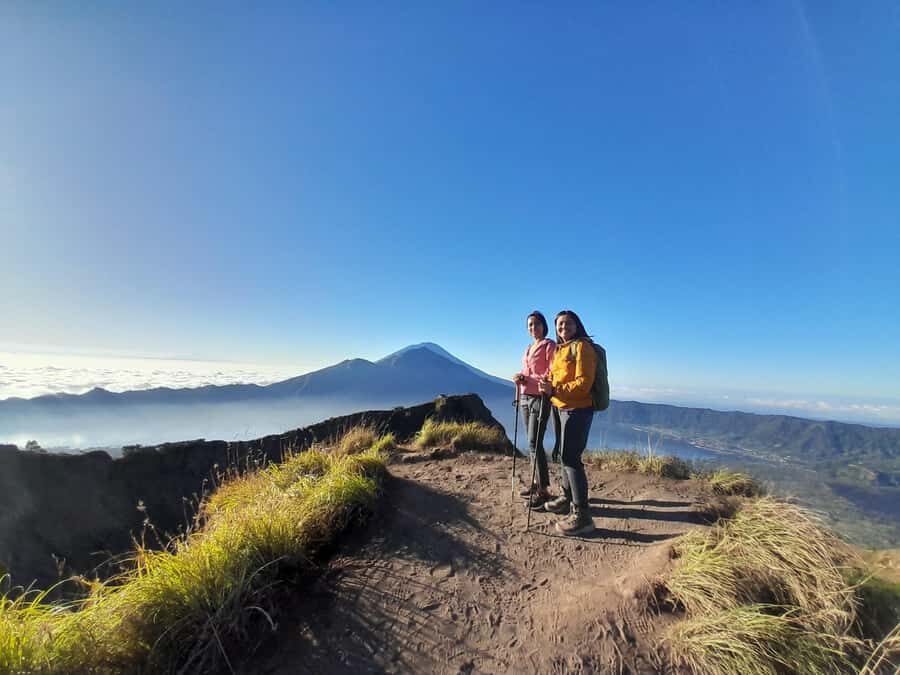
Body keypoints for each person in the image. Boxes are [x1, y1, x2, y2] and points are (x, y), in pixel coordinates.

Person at [538, 310, 597, 536]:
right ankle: (566, 497)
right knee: (563, 455)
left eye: (568, 323)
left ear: (577, 325)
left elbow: (583, 383)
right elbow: (557, 376)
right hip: (561, 407)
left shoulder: (583, 347)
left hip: (578, 409)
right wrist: (548, 383)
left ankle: (583, 516)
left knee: (571, 458)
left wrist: (554, 389)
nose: (563, 327)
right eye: (560, 324)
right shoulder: (561, 350)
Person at [512, 311, 556, 509]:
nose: (533, 327)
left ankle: (544, 490)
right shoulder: (529, 348)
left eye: (536, 324)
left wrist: (531, 380)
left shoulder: (549, 345)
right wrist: (520, 378)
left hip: (540, 398)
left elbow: (552, 371)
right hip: (525, 398)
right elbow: (528, 371)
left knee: (534, 442)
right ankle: (536, 483)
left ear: (543, 326)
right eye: (530, 325)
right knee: (532, 445)